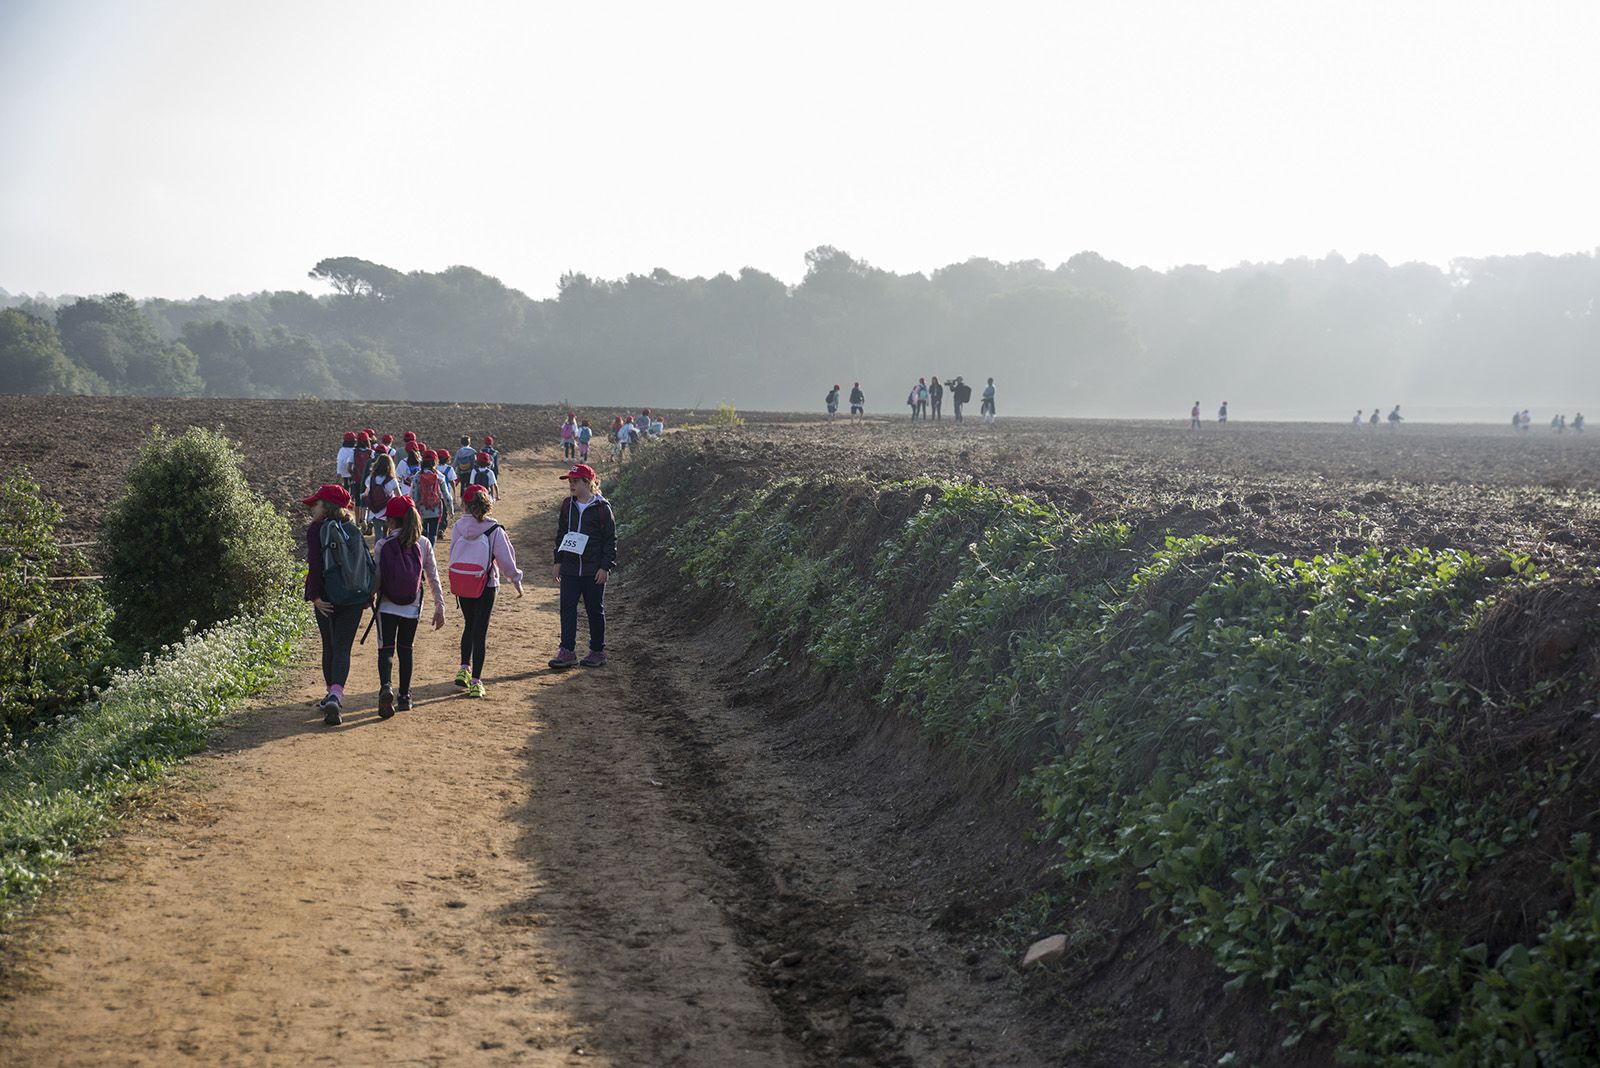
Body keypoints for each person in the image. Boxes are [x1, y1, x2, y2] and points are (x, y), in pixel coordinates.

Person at [371, 495, 445, 718]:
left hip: (386, 605)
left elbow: (377, 577)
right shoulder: (423, 543)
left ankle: (386, 686)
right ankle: (404, 696)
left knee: (386, 650)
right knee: (406, 649)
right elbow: (432, 576)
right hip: (412, 606)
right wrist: (439, 605)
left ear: (391, 521)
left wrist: (368, 597)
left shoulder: (383, 544)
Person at [303, 484, 369, 726]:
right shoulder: (353, 529)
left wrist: (315, 597)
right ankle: (336, 695)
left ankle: (330, 693)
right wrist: (364, 596)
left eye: (316, 504)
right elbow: (366, 563)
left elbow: (315, 566)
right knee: (343, 647)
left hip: (327, 598)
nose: (312, 508)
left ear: (327, 507)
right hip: (353, 597)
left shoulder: (316, 530)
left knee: (329, 645)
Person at [449, 484, 523, 698]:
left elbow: (454, 551)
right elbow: (506, 562)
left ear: (464, 503)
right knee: (480, 631)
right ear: (487, 504)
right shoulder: (494, 530)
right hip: (486, 584)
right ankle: (476, 682)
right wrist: (516, 581)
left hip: (462, 583)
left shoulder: (457, 527)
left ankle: (464, 668)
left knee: (468, 625)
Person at [547, 463, 617, 669]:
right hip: (569, 568)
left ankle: (597, 651)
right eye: (570, 481)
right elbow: (561, 534)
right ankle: (567, 651)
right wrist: (558, 560)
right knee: (567, 609)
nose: (571, 485)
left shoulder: (603, 509)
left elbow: (610, 540)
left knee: (594, 610)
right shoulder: (567, 505)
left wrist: (605, 567)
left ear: (588, 482)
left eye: (575, 481)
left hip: (592, 570)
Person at [364, 453, 400, 541]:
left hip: (375, 510)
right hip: (388, 510)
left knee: (378, 533)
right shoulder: (392, 480)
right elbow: (399, 496)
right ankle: (385, 551)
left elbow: (366, 493)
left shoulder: (371, 478)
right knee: (386, 533)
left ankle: (378, 551)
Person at [414, 451, 448, 542]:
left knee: (423, 534)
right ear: (435, 461)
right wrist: (450, 508)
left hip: (421, 509)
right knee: (433, 534)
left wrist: (414, 507)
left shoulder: (417, 476)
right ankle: (431, 552)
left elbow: (414, 494)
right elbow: (446, 495)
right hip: (435, 508)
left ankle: (423, 553)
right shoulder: (439, 476)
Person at [434, 448, 457, 534]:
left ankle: (435, 527)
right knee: (444, 512)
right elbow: (452, 482)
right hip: (445, 494)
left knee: (436, 511)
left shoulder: (434, 468)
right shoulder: (449, 469)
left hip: (434, 494)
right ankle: (441, 529)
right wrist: (454, 494)